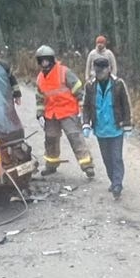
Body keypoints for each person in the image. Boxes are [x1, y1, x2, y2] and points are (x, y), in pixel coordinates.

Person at [33, 45, 93, 178]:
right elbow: (39, 98)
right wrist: (40, 114)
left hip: (68, 111)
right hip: (51, 113)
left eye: (46, 60)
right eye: (41, 60)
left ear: (51, 59)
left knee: (75, 137)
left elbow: (78, 89)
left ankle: (87, 165)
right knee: (51, 139)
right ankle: (51, 165)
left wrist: (82, 108)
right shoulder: (40, 78)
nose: (44, 63)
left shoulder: (64, 72)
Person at [81, 55, 132, 200]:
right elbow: (86, 106)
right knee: (107, 159)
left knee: (116, 158)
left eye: (102, 70)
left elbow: (126, 105)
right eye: (97, 70)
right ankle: (113, 180)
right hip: (101, 130)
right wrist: (86, 123)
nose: (100, 73)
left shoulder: (118, 84)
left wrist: (127, 125)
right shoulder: (90, 86)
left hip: (116, 129)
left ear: (108, 69)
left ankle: (117, 184)